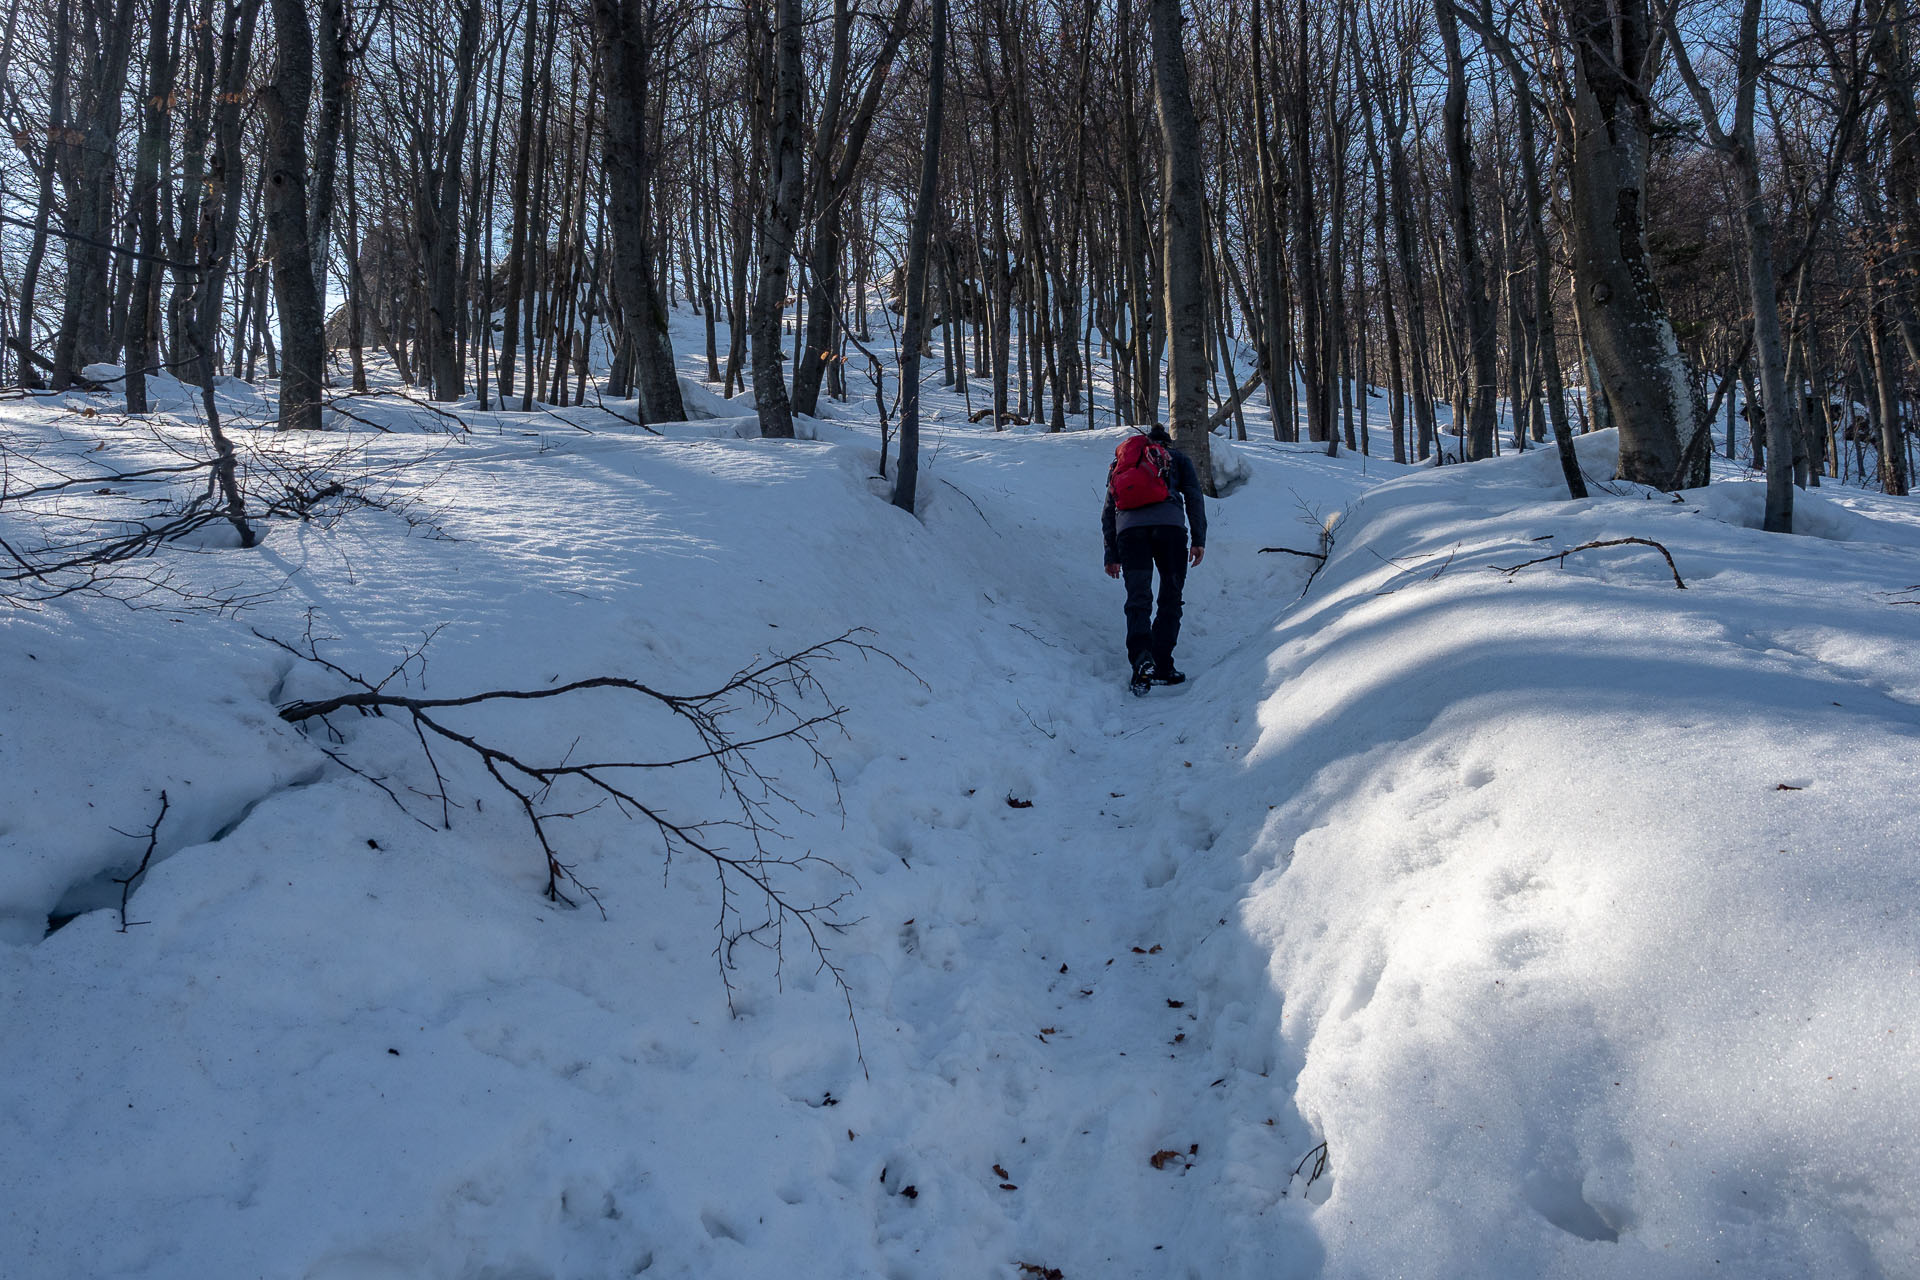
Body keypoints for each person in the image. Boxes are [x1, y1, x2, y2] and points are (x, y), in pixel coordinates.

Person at [1102, 424, 1206, 691]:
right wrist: (1199, 539)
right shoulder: (1178, 459)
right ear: (1167, 443)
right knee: (1170, 596)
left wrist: (1111, 553)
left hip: (1130, 534)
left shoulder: (1121, 462)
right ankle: (1162, 665)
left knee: (1138, 598)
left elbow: (1108, 510)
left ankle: (1140, 660)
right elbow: (1194, 497)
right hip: (1170, 531)